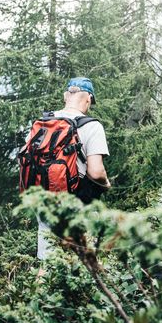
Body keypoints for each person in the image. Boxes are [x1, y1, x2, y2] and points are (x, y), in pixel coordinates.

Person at [29, 77, 111, 264]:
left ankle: (39, 292)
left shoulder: (42, 123)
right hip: (79, 205)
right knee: (84, 265)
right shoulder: (92, 126)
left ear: (66, 96)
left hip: (45, 203)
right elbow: (96, 172)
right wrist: (106, 184)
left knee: (47, 264)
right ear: (88, 99)